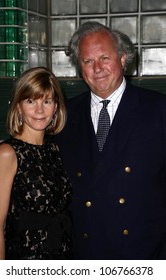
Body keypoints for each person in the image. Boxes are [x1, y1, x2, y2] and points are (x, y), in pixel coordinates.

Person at [53, 21, 166, 260]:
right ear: (79, 68)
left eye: (104, 58)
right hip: (86, 255)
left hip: (144, 254)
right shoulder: (64, 115)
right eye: (87, 61)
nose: (97, 68)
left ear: (123, 58)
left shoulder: (158, 110)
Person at [0, 67, 73, 260]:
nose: (39, 110)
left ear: (56, 107)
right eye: (30, 101)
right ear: (18, 106)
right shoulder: (8, 153)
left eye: (47, 101)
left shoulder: (57, 150)